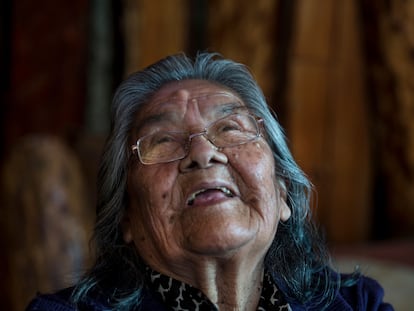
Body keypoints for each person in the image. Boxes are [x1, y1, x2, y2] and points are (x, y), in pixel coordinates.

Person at [26, 52, 393, 311]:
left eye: (230, 129)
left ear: (282, 193)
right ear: (127, 215)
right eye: (164, 140)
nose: (203, 152)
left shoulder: (357, 303)